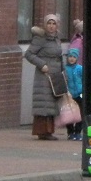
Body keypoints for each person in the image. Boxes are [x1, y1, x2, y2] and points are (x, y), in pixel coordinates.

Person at [25, 13, 64, 141]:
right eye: (49, 23)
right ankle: (42, 131)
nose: (51, 26)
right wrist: (42, 65)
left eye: (54, 23)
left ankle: (49, 131)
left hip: (55, 75)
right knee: (44, 103)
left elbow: (59, 57)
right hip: (44, 76)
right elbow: (29, 54)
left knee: (52, 103)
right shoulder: (40, 38)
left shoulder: (57, 38)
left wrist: (63, 72)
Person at [64, 47, 84, 141]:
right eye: (70, 56)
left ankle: (78, 132)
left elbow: (84, 80)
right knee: (69, 114)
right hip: (69, 95)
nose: (72, 58)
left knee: (81, 114)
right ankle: (70, 132)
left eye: (74, 57)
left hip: (79, 94)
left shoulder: (80, 68)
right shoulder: (65, 69)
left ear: (77, 58)